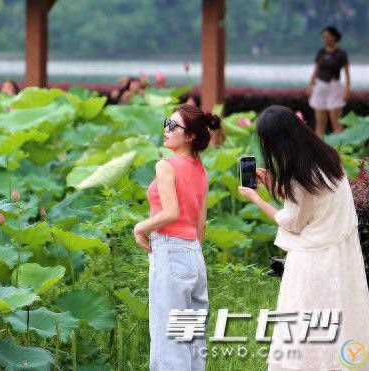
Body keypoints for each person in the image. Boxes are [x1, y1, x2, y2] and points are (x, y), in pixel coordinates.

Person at [237, 105, 369, 370]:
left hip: (312, 262)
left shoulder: (300, 173)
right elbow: (313, 204)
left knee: (302, 327)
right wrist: (275, 186)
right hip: (339, 258)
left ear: (275, 141)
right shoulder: (327, 159)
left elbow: (293, 222)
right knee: (337, 321)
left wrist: (257, 198)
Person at [133, 104, 221, 370]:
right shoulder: (200, 169)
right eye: (166, 123)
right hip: (194, 254)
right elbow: (200, 223)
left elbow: (171, 212)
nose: (166, 129)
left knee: (169, 342)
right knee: (192, 340)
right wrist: (192, 252)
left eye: (173, 126)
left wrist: (141, 226)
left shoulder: (165, 166)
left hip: (170, 252)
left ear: (190, 136)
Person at [307, 26, 351, 136]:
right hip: (320, 87)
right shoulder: (321, 52)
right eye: (324, 37)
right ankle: (319, 149)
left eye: (327, 36)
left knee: (337, 124)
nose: (325, 39)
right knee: (320, 124)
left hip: (334, 87)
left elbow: (347, 74)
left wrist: (347, 89)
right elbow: (316, 71)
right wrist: (310, 86)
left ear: (334, 37)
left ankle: (340, 149)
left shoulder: (341, 54)